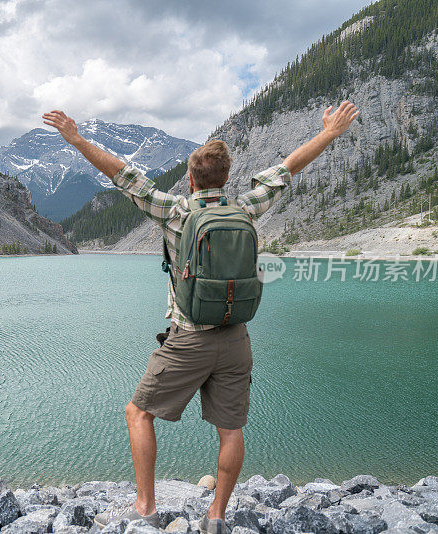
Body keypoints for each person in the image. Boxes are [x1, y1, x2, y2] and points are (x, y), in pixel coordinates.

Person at [43, 101, 360, 534]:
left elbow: (122, 174)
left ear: (191, 179)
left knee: (138, 413)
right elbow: (288, 168)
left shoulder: (177, 212)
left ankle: (146, 507)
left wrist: (77, 139)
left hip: (188, 337)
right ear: (227, 178)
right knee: (230, 430)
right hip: (236, 338)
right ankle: (217, 517)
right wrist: (328, 133)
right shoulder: (246, 207)